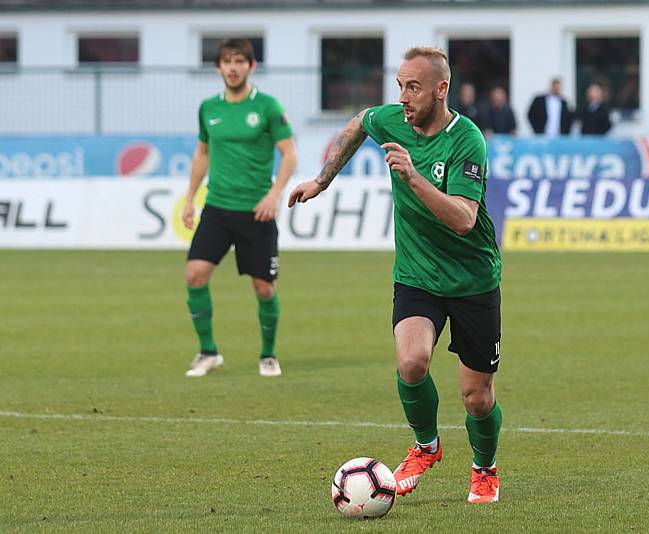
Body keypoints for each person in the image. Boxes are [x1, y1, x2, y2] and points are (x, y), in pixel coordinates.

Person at [288, 46, 503, 504]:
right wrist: (321, 181)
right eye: (400, 86)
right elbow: (358, 124)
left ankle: (484, 468)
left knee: (477, 398)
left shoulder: (467, 139)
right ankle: (427, 446)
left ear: (441, 89)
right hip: (417, 275)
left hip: (472, 279)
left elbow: (465, 218)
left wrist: (412, 176)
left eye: (414, 87)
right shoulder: (391, 119)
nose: (403, 97)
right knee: (410, 363)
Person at [182, 38, 297, 378]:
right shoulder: (208, 108)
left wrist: (273, 194)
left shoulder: (267, 107)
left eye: (239, 61)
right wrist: (190, 198)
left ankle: (268, 354)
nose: (232, 68)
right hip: (217, 208)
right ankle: (208, 352)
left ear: (251, 66)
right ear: (218, 67)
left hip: (256, 211)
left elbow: (289, 154)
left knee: (264, 288)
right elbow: (202, 153)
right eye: (226, 61)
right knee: (194, 275)